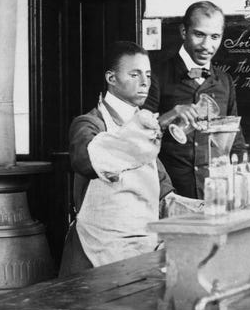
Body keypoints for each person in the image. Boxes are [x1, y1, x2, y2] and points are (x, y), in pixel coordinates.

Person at [59, 41, 195, 277]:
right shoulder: (89, 124)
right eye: (134, 74)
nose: (145, 82)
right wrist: (167, 118)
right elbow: (87, 161)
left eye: (148, 75)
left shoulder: (145, 129)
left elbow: (165, 198)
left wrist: (208, 209)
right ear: (111, 78)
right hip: (98, 254)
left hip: (142, 250)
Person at [144, 1, 246, 198]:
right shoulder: (155, 75)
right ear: (184, 32)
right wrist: (171, 115)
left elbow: (236, 140)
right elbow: (138, 136)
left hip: (216, 192)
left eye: (215, 37)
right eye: (199, 35)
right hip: (168, 193)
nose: (207, 46)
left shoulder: (225, 81)